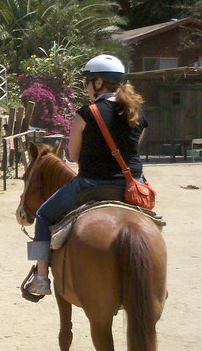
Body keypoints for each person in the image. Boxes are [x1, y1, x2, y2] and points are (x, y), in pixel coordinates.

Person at [25, 54, 149, 297]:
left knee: (42, 215)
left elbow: (74, 155)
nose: (86, 87)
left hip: (91, 184)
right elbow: (134, 149)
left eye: (87, 82)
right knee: (150, 222)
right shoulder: (137, 113)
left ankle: (41, 278)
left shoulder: (87, 113)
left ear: (99, 82)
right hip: (132, 186)